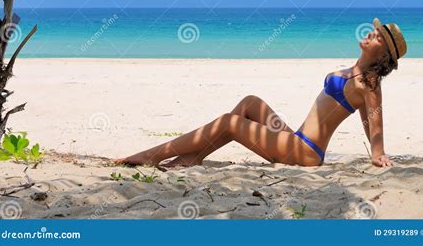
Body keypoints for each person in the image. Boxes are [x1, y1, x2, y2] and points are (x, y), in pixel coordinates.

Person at [115, 18, 407, 169]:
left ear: (384, 54)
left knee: (230, 123)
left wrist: (377, 154)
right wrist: (373, 141)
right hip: (296, 139)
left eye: (378, 36)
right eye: (375, 31)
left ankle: (153, 155)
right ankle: (194, 158)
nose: (371, 34)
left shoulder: (370, 84)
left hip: (304, 153)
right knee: (250, 103)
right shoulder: (355, 71)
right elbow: (366, 119)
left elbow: (374, 121)